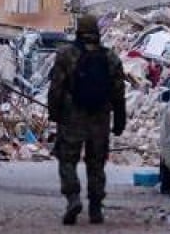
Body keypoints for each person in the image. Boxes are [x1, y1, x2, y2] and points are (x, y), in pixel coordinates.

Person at [48, 14, 127, 226]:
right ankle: (95, 207)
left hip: (72, 116)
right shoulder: (110, 57)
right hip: (100, 117)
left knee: (67, 160)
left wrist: (54, 113)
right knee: (96, 163)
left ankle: (73, 198)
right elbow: (118, 92)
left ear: (78, 31)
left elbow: (56, 87)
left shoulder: (66, 55)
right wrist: (119, 120)